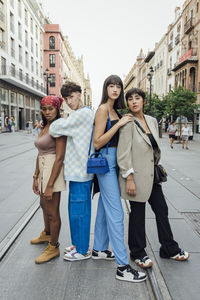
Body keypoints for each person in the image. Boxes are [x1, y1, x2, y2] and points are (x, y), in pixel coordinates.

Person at [117, 87, 190, 269]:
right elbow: (123, 154)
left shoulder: (151, 120)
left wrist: (156, 169)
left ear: (143, 101)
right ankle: (138, 253)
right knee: (138, 215)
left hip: (152, 176)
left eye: (137, 98)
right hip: (135, 176)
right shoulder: (127, 123)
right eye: (130, 99)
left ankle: (168, 248)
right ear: (127, 103)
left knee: (162, 210)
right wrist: (130, 179)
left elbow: (154, 149)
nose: (134, 101)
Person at [92, 75, 146, 283]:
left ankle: (99, 248)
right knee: (117, 213)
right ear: (105, 89)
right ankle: (123, 266)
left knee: (106, 209)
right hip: (105, 163)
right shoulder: (103, 109)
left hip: (115, 163)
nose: (115, 89)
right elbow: (97, 142)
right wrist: (119, 123)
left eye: (118, 86)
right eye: (111, 86)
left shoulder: (115, 110)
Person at [49, 81, 94, 261]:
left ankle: (82, 250)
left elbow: (54, 128)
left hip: (81, 172)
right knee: (75, 210)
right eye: (66, 98)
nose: (69, 101)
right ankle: (77, 244)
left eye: (71, 97)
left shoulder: (82, 114)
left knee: (79, 212)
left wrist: (63, 118)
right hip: (78, 171)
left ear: (79, 95)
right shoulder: (80, 114)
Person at [31, 95, 66, 264]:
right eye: (44, 109)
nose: (47, 112)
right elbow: (39, 154)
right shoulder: (45, 127)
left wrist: (50, 185)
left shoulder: (58, 127)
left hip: (53, 170)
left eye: (50, 108)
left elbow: (59, 158)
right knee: (43, 205)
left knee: (53, 212)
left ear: (57, 109)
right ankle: (47, 234)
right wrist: (35, 176)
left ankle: (54, 246)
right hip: (44, 170)